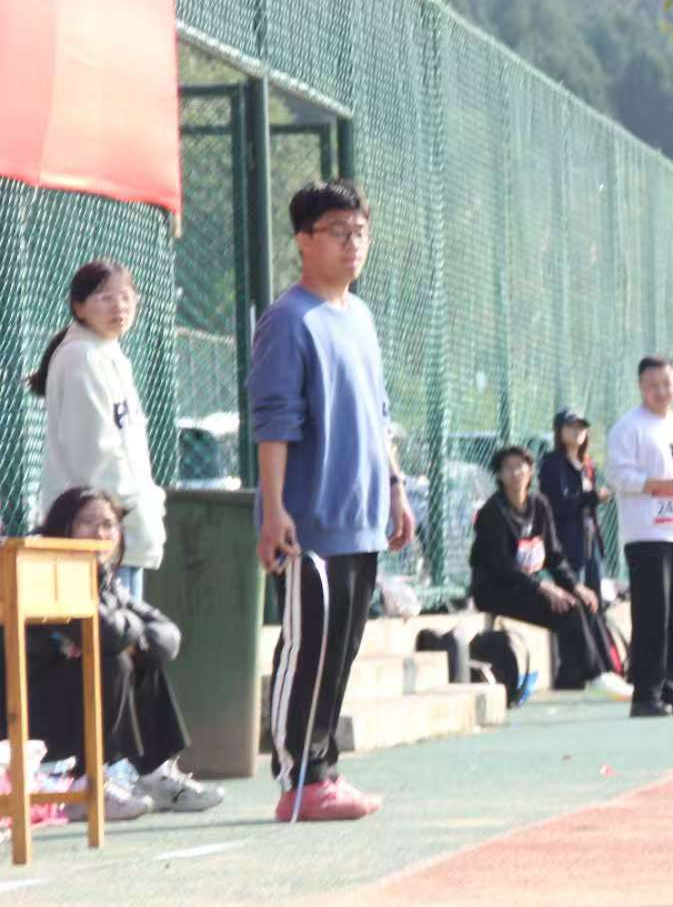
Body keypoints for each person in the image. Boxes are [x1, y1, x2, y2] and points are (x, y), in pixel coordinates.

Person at [250, 180, 415, 823]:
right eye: (338, 232)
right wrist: (274, 509)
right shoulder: (288, 320)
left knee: (341, 650)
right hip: (309, 520)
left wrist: (395, 488)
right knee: (308, 648)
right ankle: (298, 780)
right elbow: (274, 422)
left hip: (363, 516)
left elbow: (379, 415)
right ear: (303, 240)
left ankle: (324, 770)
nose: (353, 245)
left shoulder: (361, 317)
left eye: (360, 233)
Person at [0, 488, 222, 819]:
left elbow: (168, 636)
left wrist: (136, 641)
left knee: (142, 659)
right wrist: (131, 637)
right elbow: (107, 633)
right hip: (20, 707)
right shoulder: (43, 570)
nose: (100, 533)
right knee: (114, 660)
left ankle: (155, 775)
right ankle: (84, 784)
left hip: (62, 701)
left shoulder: (103, 577)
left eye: (108, 524)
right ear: (62, 527)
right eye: (86, 522)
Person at [29, 259, 165, 598]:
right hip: (96, 537)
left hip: (119, 533)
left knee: (125, 625)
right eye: (105, 298)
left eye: (126, 296)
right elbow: (94, 456)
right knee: (110, 629)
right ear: (79, 307)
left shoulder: (107, 353)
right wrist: (132, 507)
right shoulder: (82, 357)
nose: (119, 306)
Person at [469, 445, 625, 697]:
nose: (515, 473)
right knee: (568, 609)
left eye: (520, 467)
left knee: (584, 602)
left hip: (527, 587)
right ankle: (596, 675)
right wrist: (544, 588)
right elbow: (502, 567)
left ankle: (580, 678)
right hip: (496, 591)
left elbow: (554, 556)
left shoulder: (539, 505)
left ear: (530, 471)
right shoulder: (492, 513)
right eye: (508, 468)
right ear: (499, 475)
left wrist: (575, 586)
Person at [607, 355, 673, 719]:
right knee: (652, 615)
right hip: (646, 533)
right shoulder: (628, 427)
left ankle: (672, 687)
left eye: (667, 384)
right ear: (641, 387)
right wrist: (663, 486)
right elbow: (619, 477)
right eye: (653, 385)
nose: (661, 392)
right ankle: (645, 693)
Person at [539, 407, 612, 597]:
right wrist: (593, 497)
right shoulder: (553, 463)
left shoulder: (586, 464)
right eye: (571, 426)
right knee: (574, 595)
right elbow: (557, 505)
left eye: (581, 427)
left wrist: (596, 497)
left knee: (595, 595)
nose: (577, 431)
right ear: (559, 431)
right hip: (566, 540)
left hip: (589, 537)